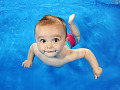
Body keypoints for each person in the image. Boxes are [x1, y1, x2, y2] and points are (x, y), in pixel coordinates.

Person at [22, 14, 102, 79]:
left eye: (55, 40)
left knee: (77, 37)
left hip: (69, 42)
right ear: (36, 40)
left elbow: (86, 52)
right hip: (61, 36)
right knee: (58, 34)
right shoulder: (37, 50)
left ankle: (71, 23)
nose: (49, 46)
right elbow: (32, 47)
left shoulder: (69, 55)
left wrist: (96, 68)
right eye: (43, 41)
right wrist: (29, 60)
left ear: (65, 41)